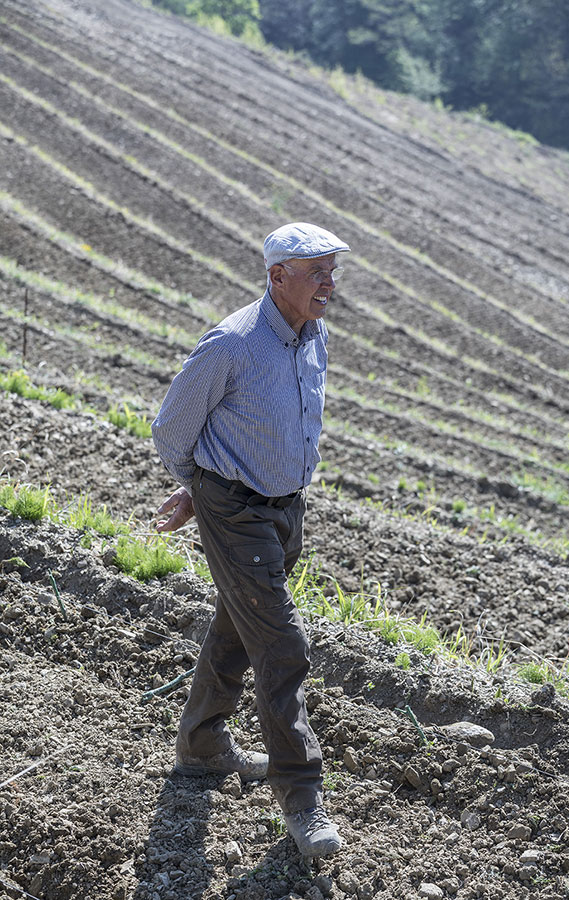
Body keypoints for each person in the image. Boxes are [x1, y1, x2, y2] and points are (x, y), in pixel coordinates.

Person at [151, 222, 350, 857]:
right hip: (237, 511)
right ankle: (302, 796)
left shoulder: (313, 336)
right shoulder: (232, 344)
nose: (328, 282)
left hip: (283, 510)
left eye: (332, 270)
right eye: (315, 271)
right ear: (277, 277)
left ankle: (202, 745)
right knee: (283, 645)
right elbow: (171, 427)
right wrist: (202, 490)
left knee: (240, 625)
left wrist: (209, 487)